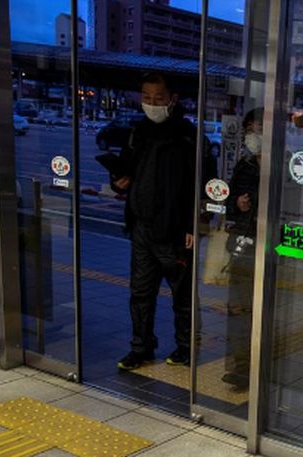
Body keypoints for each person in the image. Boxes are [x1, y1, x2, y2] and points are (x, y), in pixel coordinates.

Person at [112, 72, 214, 370]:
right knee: (140, 292)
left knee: (182, 294)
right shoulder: (137, 133)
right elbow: (126, 169)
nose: (152, 104)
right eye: (146, 98)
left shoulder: (189, 137)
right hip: (142, 227)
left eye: (158, 99)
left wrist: (196, 223)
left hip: (176, 231)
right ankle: (141, 347)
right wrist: (118, 180)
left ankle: (186, 347)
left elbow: (206, 186)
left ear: (172, 99)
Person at [221, 108, 263, 389]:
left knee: (261, 308)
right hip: (242, 243)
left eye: (258, 129)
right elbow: (228, 199)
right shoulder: (244, 165)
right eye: (250, 130)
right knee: (239, 307)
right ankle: (241, 366)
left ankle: (261, 365)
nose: (253, 135)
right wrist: (237, 204)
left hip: (268, 245)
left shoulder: (286, 164)